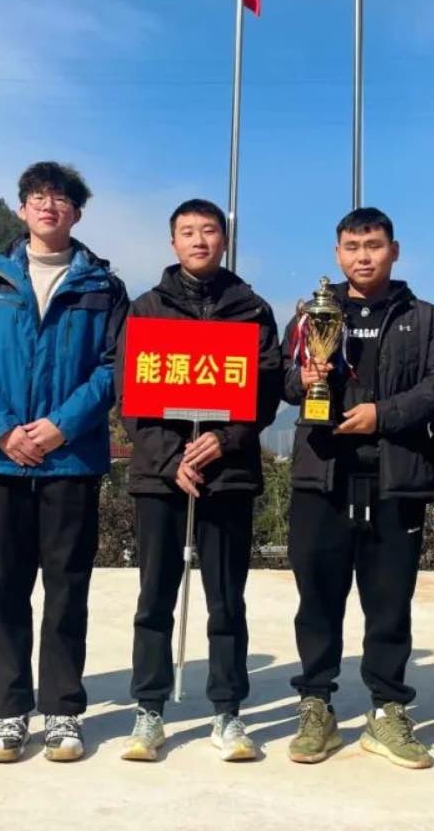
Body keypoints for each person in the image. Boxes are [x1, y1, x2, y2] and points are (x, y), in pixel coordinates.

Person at [0, 161, 127, 764]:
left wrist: (59, 427)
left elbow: (114, 367)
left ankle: (62, 710)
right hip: (1, 461)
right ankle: (8, 712)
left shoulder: (103, 287)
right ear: (22, 208)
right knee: (5, 589)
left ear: (77, 212)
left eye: (61, 198)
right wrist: (2, 430)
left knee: (67, 589)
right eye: (38, 197)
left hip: (70, 461)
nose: (49, 206)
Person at [282, 207, 434, 769]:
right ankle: (316, 704)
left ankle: (387, 709)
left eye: (374, 245)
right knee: (317, 601)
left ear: (395, 251)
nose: (364, 256)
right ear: (337, 254)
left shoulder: (424, 318)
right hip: (322, 476)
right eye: (353, 246)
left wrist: (383, 415)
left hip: (395, 479)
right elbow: (281, 379)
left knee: (389, 603)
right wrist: (302, 379)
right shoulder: (311, 313)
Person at [114, 199, 282, 763]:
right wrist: (171, 460)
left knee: (226, 600)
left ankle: (228, 711)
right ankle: (149, 709)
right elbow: (130, 396)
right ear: (173, 242)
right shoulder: (146, 308)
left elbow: (265, 391)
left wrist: (225, 439)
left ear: (224, 239)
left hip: (228, 476)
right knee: (154, 598)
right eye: (187, 232)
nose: (199, 240)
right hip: (161, 478)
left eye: (209, 231)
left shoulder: (252, 310)